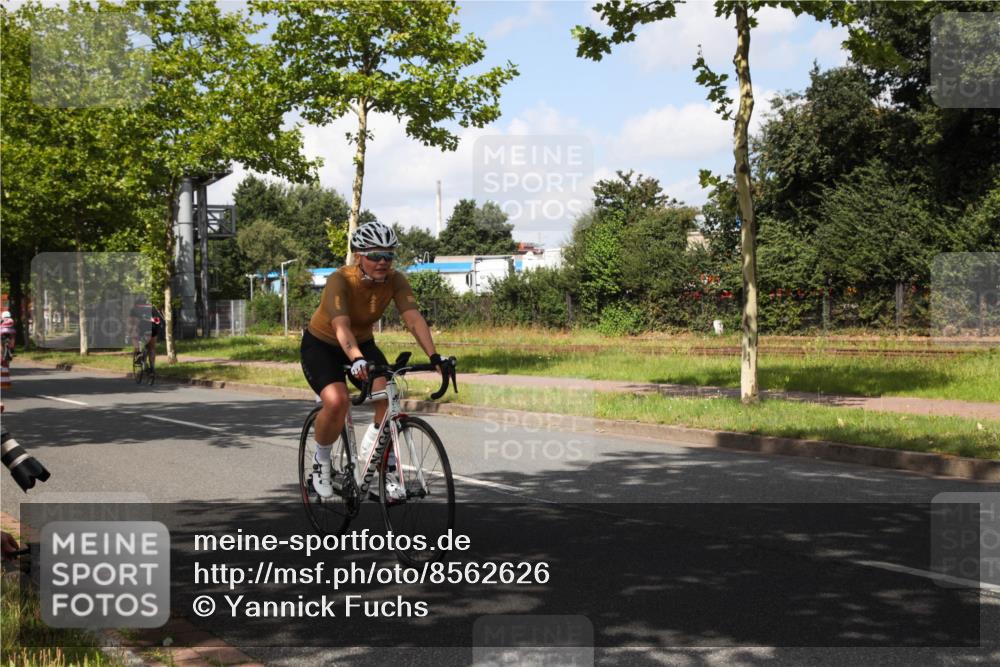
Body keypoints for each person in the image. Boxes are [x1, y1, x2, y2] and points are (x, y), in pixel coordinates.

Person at [300, 221, 446, 500]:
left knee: (387, 397)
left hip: (363, 344)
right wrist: (356, 359)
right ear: (359, 256)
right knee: (337, 401)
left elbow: (413, 319)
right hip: (323, 345)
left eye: (388, 256)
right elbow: (341, 326)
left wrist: (434, 357)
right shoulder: (340, 280)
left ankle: (375, 460)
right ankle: (321, 461)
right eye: (375, 255)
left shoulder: (395, 280)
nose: (383, 262)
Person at [128, 298, 163, 373]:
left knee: (134, 338)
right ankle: (152, 367)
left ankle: (138, 355)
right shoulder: (153, 308)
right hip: (153, 329)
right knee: (152, 348)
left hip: (141, 329)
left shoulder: (134, 309)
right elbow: (158, 320)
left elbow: (131, 322)